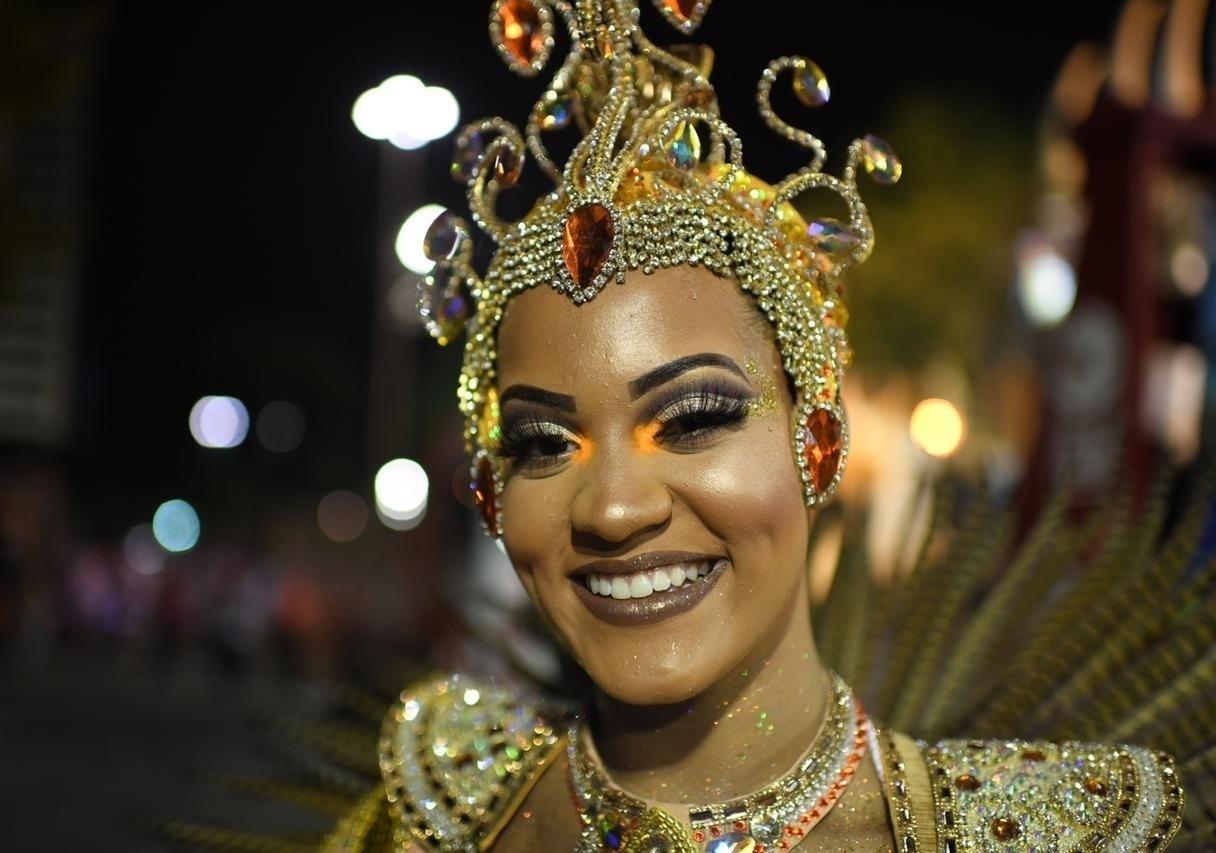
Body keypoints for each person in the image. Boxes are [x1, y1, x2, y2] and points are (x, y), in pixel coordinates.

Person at [162, 2, 1209, 851]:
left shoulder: (1040, 833)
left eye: (694, 417)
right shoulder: (439, 808)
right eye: (539, 445)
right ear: (487, 495)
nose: (613, 506)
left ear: (819, 447)